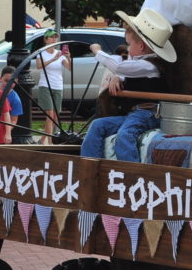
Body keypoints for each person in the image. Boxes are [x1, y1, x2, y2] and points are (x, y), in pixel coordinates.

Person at [80, 9, 176, 161]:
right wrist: (118, 77)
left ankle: (131, 175)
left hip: (148, 113)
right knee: (98, 125)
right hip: (134, 113)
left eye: (129, 44)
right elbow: (124, 69)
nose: (128, 48)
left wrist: (98, 51)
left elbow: (121, 67)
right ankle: (89, 166)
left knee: (125, 134)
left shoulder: (150, 65)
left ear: (142, 46)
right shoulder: (141, 62)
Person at [34, 28, 71, 143]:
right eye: (52, 37)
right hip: (46, 86)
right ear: (46, 39)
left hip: (58, 86)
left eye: (56, 37)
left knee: (54, 116)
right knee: (50, 115)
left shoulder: (60, 53)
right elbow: (39, 66)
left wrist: (68, 57)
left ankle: (43, 138)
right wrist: (53, 59)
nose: (54, 39)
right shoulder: (41, 53)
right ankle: (50, 142)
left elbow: (70, 69)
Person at [0, 66, 23, 137]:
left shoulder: (15, 99)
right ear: (0, 78)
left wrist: (6, 132)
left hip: (1, 129)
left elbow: (13, 121)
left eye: (12, 81)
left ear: (16, 81)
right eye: (6, 80)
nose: (8, 84)